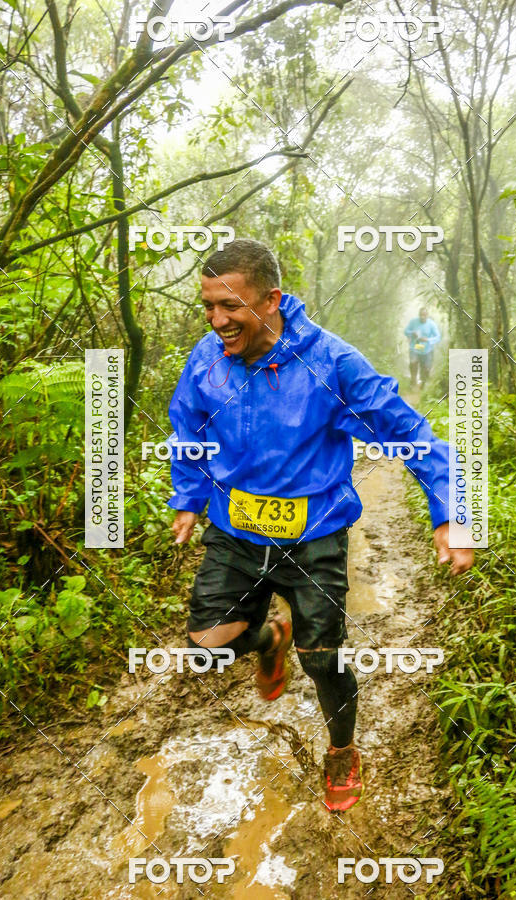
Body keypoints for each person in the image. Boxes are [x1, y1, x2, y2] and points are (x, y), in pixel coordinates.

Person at [168, 240, 473, 813]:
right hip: (236, 531)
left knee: (323, 657)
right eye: (208, 306)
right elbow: (187, 425)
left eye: (229, 306)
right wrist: (187, 495)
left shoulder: (330, 362)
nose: (217, 320)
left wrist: (452, 511)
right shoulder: (205, 358)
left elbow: (407, 429)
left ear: (272, 299)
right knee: (206, 648)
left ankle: (342, 750)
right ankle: (268, 639)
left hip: (315, 536)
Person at [404, 307, 441, 386]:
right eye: (421, 315)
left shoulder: (431, 324)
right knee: (413, 363)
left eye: (424, 315)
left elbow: (438, 337)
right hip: (415, 347)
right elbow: (406, 331)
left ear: (427, 315)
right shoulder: (413, 322)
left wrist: (428, 340)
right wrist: (412, 333)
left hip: (427, 349)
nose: (422, 317)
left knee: (426, 368)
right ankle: (413, 381)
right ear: (419, 315)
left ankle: (423, 384)